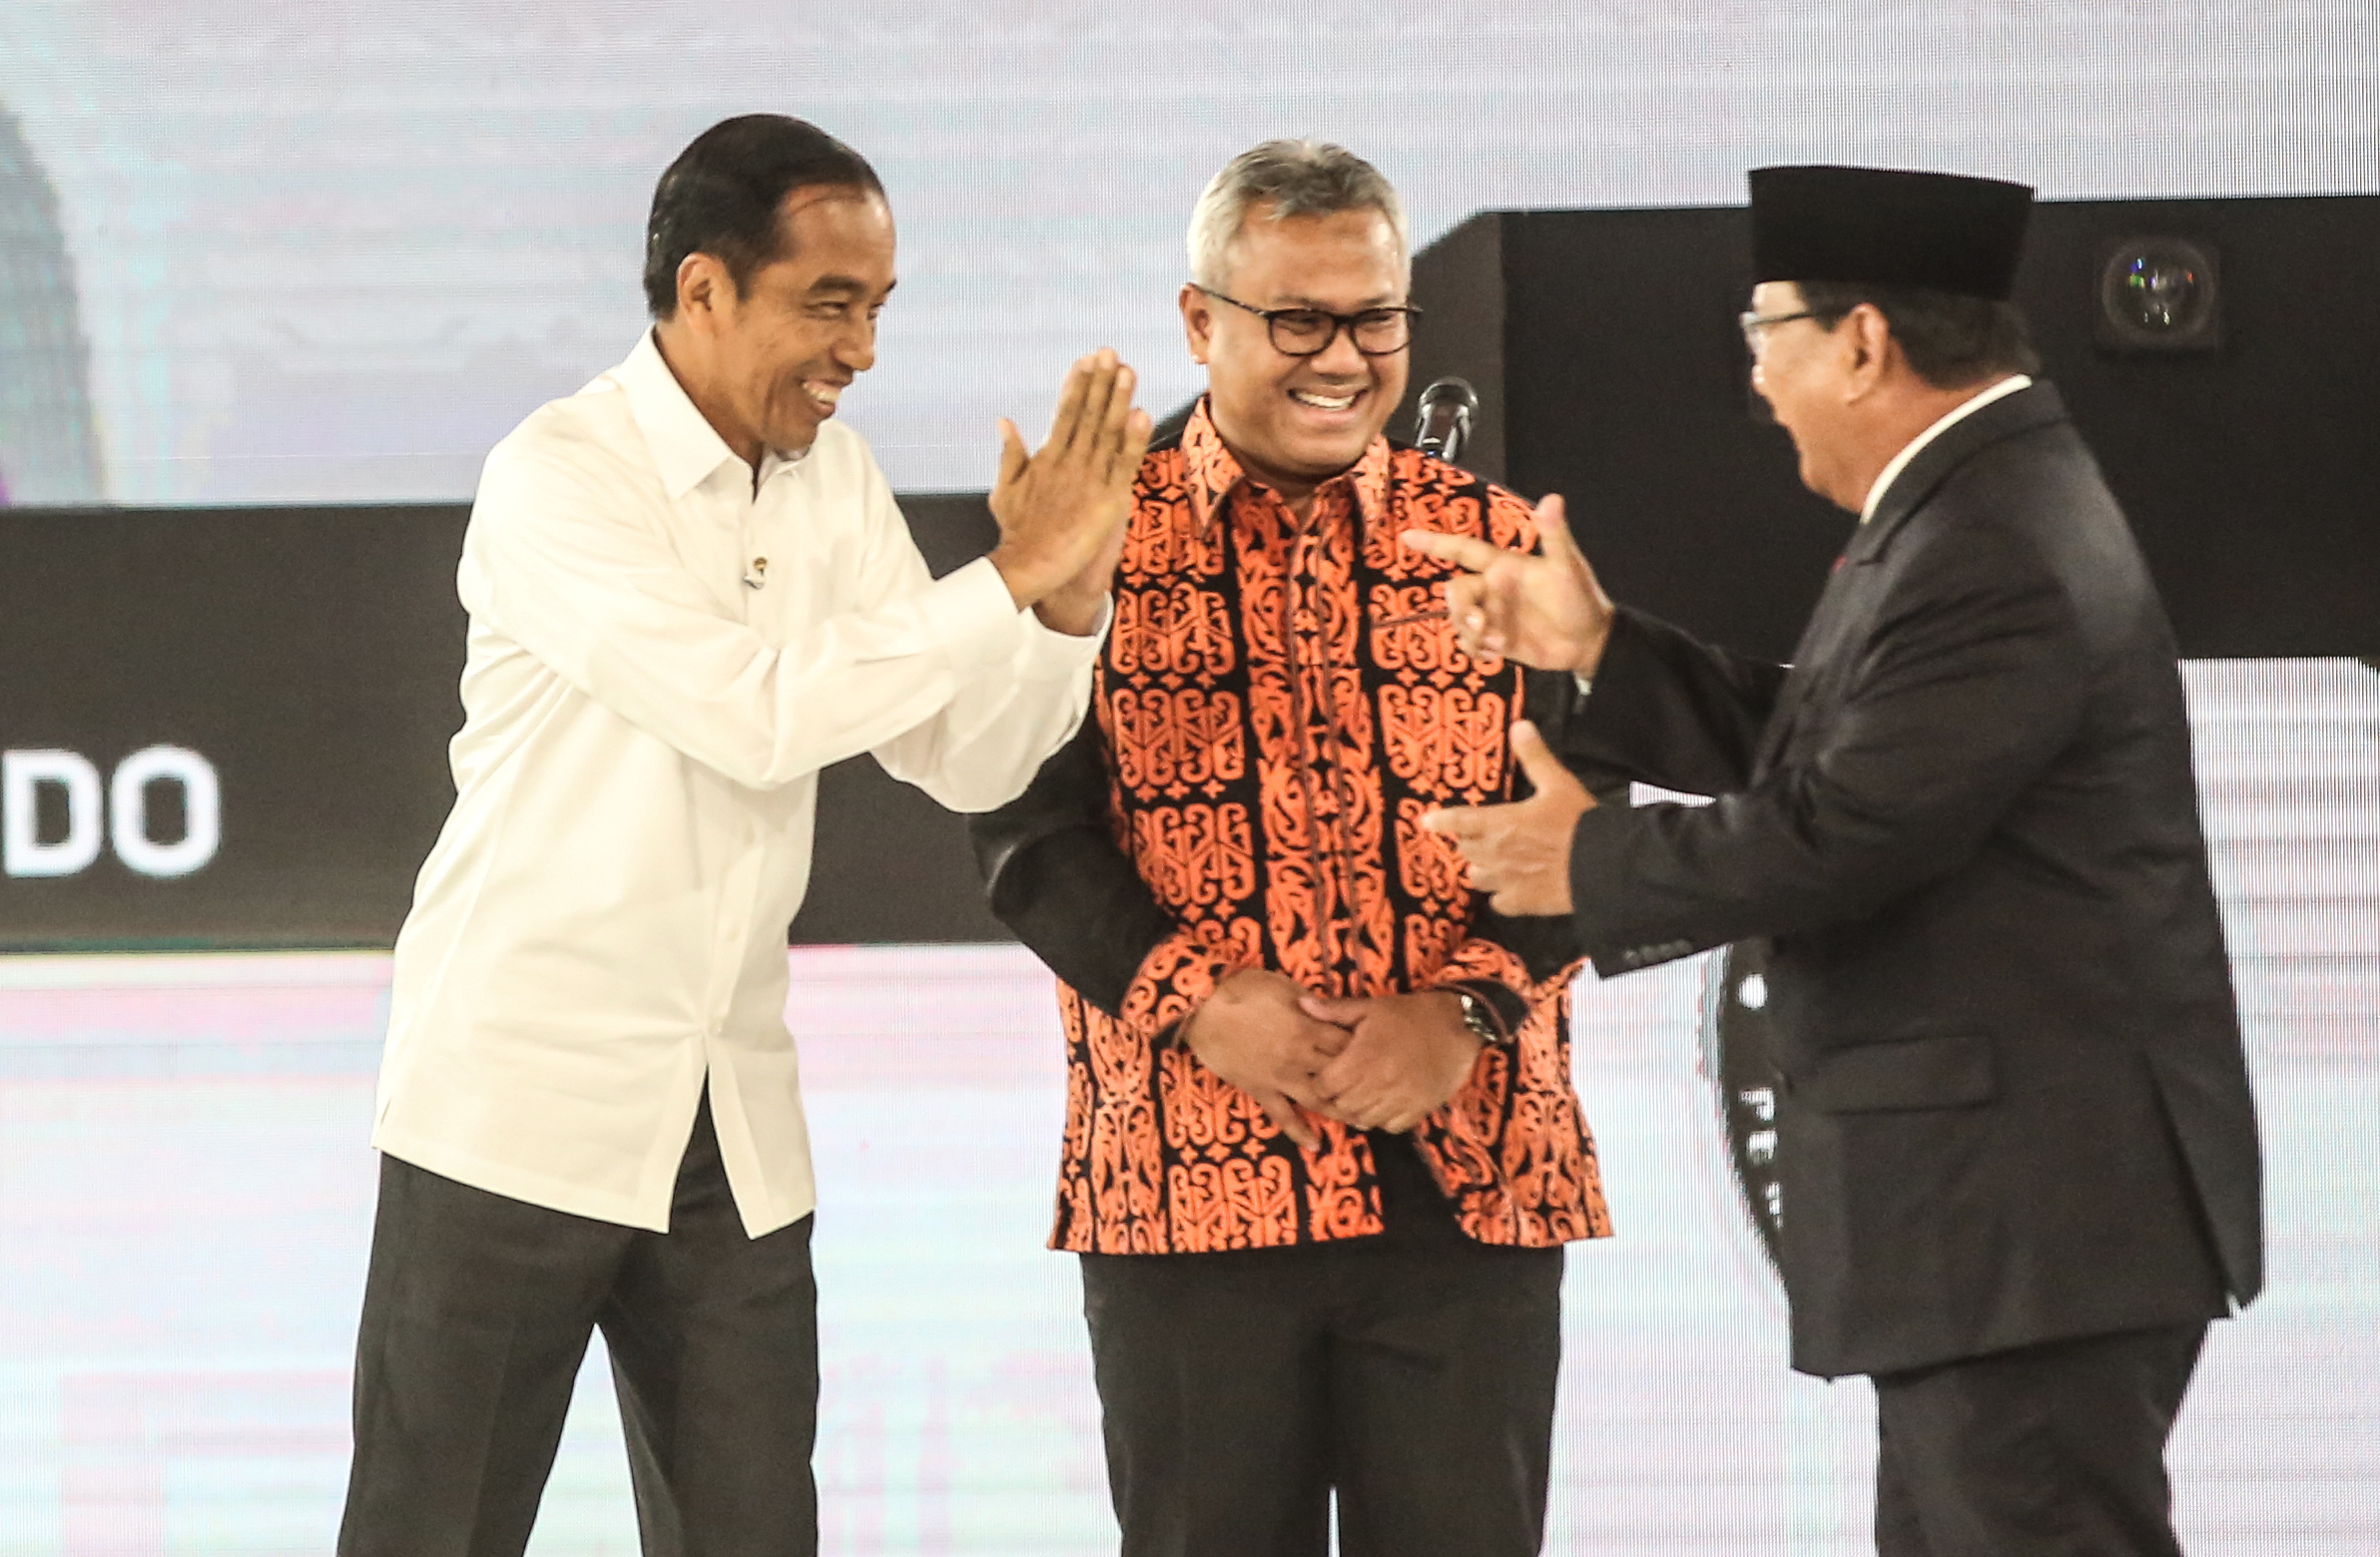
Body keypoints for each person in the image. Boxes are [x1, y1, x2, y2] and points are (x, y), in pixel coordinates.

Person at [1412, 164, 2264, 1556]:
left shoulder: (1995, 540)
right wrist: (1601, 653)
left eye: (1766, 338)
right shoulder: (1977, 503)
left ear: (1861, 341)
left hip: (2028, 1231)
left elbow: (1845, 834)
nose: (1758, 384)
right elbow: (1850, 762)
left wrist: (1591, 860)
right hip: (2004, 1234)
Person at [336, 115, 1150, 1557]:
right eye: (829, 305)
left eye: (879, 308)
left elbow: (963, 755)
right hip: (513, 1107)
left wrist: (1065, 606)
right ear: (703, 290)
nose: (864, 352)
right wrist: (1004, 575)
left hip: (732, 1126)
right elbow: (754, 715)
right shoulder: (560, 474)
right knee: (433, 1533)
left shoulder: (829, 478)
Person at [968, 140, 1608, 1557]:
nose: (1344, 358)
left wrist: (1466, 1010)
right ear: (1201, 322)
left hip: (1471, 1182)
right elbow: (1020, 831)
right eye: (1297, 320)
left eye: (1376, 318)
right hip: (1190, 1189)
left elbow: (1595, 835)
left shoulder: (1500, 548)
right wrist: (1195, 999)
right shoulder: (1089, 539)